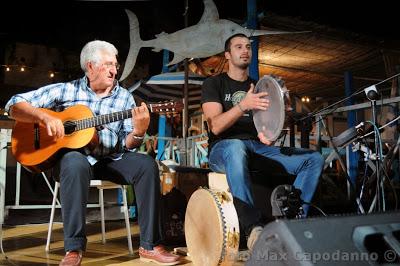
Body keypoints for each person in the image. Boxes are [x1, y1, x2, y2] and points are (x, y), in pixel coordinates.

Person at [5, 40, 181, 266]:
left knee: (146, 165)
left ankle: (150, 245)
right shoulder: (67, 90)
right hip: (73, 160)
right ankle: (73, 249)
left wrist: (139, 131)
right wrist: (44, 117)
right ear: (90, 67)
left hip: (110, 158)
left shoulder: (124, 98)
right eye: (108, 64)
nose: (114, 70)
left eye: (115, 65)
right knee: (74, 162)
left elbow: (127, 144)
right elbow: (14, 104)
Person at [201, 33, 324, 251]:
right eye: (238, 47)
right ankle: (252, 228)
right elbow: (216, 126)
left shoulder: (259, 87)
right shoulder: (214, 83)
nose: (245, 50)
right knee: (236, 147)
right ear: (228, 55)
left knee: (313, 159)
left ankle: (291, 225)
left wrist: (269, 135)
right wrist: (243, 106)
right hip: (223, 149)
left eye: (248, 46)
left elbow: (266, 127)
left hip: (255, 149)